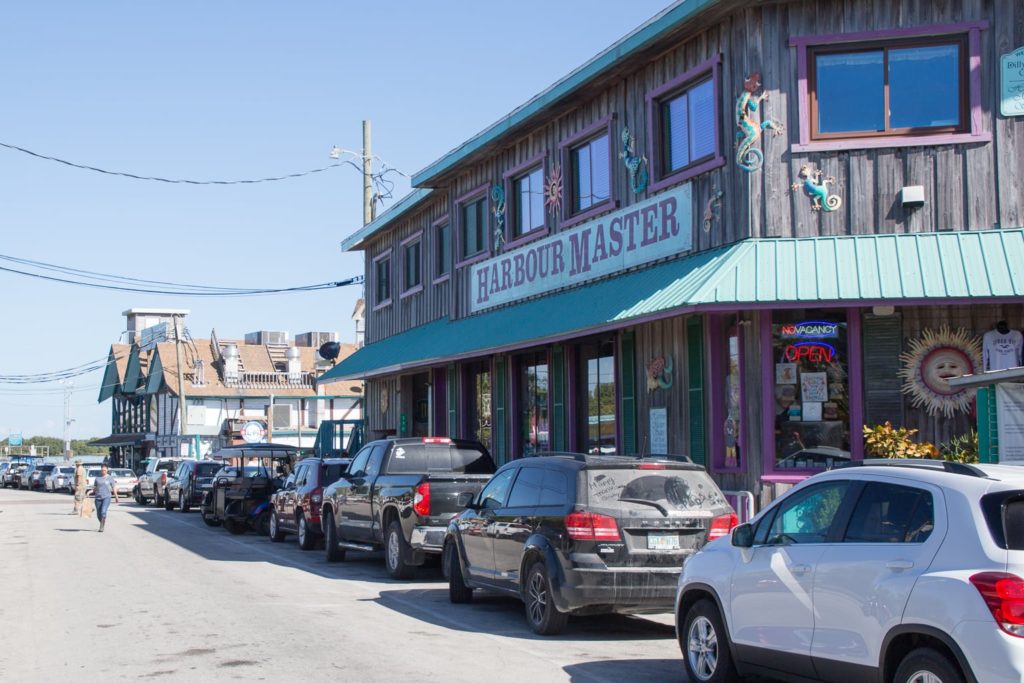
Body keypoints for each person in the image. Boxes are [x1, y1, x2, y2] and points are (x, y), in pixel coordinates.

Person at [92, 465, 119, 532]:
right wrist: (89, 492)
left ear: (107, 470)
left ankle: (102, 527)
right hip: (98, 498)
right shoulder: (97, 478)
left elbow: (114, 488)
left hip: (106, 497)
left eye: (104, 470)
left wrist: (116, 496)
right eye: (102, 470)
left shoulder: (110, 478)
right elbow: (95, 488)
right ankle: (102, 522)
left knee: (103, 511)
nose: (103, 471)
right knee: (98, 514)